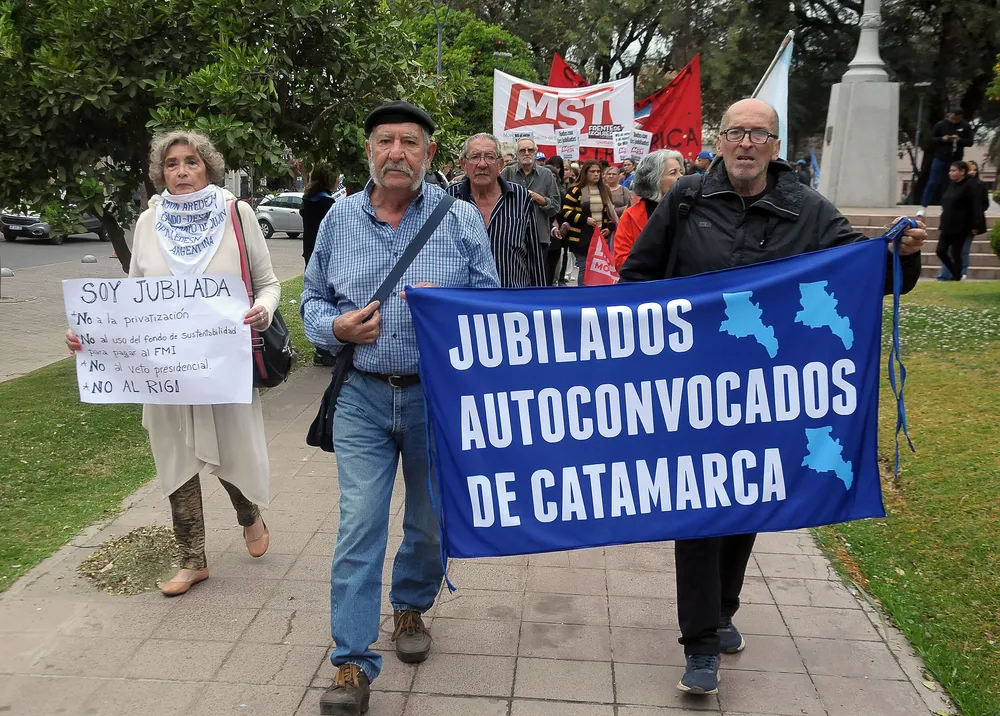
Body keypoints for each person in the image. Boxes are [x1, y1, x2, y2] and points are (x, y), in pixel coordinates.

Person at [619, 98, 926, 696]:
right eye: (736, 132)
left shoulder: (807, 210)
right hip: (692, 386)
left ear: (775, 144)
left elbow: (861, 269)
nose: (746, 144)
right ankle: (700, 642)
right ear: (720, 139)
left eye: (758, 134)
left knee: (747, 503)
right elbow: (637, 277)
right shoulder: (686, 200)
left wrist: (902, 260)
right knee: (699, 509)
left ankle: (725, 607)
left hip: (769, 393)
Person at [301, 100, 500, 716]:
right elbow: (311, 300)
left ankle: (410, 606)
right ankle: (352, 665)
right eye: (385, 141)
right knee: (360, 523)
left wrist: (457, 317)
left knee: (429, 519)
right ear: (368, 152)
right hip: (361, 395)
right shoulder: (339, 218)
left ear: (429, 154)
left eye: (410, 142)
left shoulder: (460, 218)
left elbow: (492, 305)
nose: (396, 152)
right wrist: (335, 327)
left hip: (435, 400)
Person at [67, 130, 279, 596]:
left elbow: (267, 283)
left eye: (190, 162)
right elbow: (133, 300)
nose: (180, 171)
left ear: (208, 168)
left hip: (221, 366)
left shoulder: (235, 213)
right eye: (171, 164)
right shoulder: (149, 222)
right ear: (160, 172)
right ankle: (192, 559)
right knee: (175, 457)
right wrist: (93, 335)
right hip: (165, 371)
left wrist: (262, 310)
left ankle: (249, 515)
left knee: (230, 453)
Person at [448, 133, 546, 287]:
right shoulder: (449, 198)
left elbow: (534, 255)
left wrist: (541, 301)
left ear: (500, 164)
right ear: (463, 164)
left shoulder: (520, 196)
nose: (482, 164)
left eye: (490, 157)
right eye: (474, 157)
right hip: (464, 304)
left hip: (512, 303)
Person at [502, 137, 562, 285]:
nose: (527, 153)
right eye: (523, 150)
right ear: (517, 154)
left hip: (539, 235)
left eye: (531, 150)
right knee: (514, 275)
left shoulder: (546, 175)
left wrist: (541, 200)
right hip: (512, 235)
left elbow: (555, 206)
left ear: (536, 153)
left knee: (537, 277)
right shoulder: (507, 173)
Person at [612, 149, 683, 272]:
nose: (681, 177)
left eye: (681, 172)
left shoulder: (690, 209)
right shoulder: (631, 215)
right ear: (654, 180)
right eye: (673, 173)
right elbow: (621, 261)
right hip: (648, 286)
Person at [302, 164, 339, 366]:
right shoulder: (327, 203)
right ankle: (325, 351)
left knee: (316, 295)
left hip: (309, 253)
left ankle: (320, 350)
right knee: (327, 298)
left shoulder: (308, 199)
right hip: (325, 253)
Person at [560, 159, 618, 285]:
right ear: (585, 173)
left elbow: (610, 214)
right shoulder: (575, 190)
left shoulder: (605, 190)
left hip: (601, 238)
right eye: (593, 171)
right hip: (581, 238)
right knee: (584, 267)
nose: (596, 174)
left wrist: (609, 227)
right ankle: (583, 295)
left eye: (598, 171)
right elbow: (566, 212)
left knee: (600, 270)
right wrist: (585, 219)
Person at [918, 109, 974, 216]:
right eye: (952, 118)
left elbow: (970, 142)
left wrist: (959, 140)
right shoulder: (941, 125)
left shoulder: (965, 126)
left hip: (955, 160)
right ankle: (923, 207)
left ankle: (946, 207)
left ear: (960, 117)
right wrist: (942, 139)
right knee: (933, 182)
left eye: (956, 119)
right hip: (940, 158)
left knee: (949, 184)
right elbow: (931, 139)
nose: (953, 120)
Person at [939, 159, 988, 280]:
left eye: (954, 170)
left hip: (961, 226)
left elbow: (977, 205)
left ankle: (956, 276)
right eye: (950, 170)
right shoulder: (951, 186)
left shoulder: (970, 185)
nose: (950, 173)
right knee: (940, 250)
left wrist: (976, 224)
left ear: (962, 172)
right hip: (947, 224)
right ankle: (956, 273)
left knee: (957, 252)